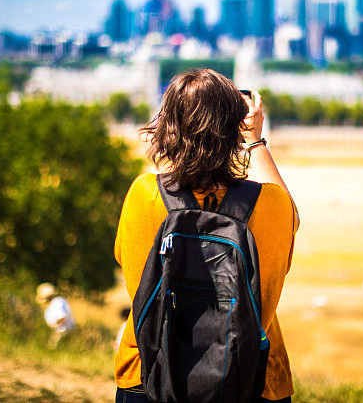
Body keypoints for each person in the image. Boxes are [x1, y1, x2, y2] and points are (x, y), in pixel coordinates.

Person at [114, 68, 299, 403]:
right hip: (250, 381)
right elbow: (291, 222)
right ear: (234, 127)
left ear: (166, 124)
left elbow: (129, 266)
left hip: (148, 375)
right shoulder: (270, 204)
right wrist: (254, 140)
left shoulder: (145, 195)